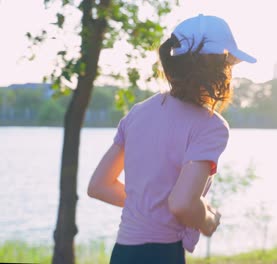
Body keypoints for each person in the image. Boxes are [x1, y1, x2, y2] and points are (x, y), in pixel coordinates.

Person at [87, 14, 256, 264]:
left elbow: (99, 186)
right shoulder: (211, 126)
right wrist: (208, 221)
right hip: (161, 254)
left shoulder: (138, 114)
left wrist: (149, 208)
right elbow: (182, 204)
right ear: (220, 71)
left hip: (123, 252)